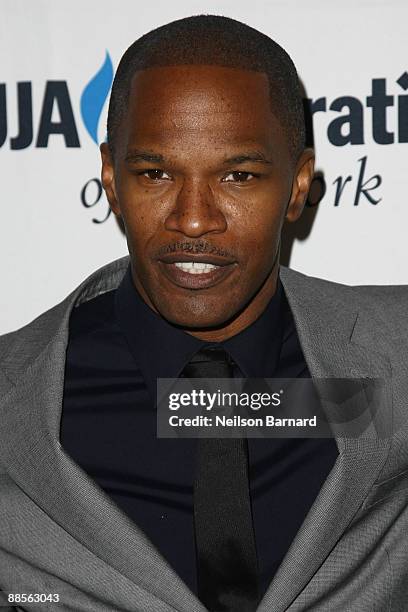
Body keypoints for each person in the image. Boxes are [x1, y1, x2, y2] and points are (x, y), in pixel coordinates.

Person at [0, 14, 407, 612]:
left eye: (239, 176)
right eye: (155, 173)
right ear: (111, 179)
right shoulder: (16, 397)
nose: (193, 220)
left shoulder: (392, 351)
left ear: (297, 186)